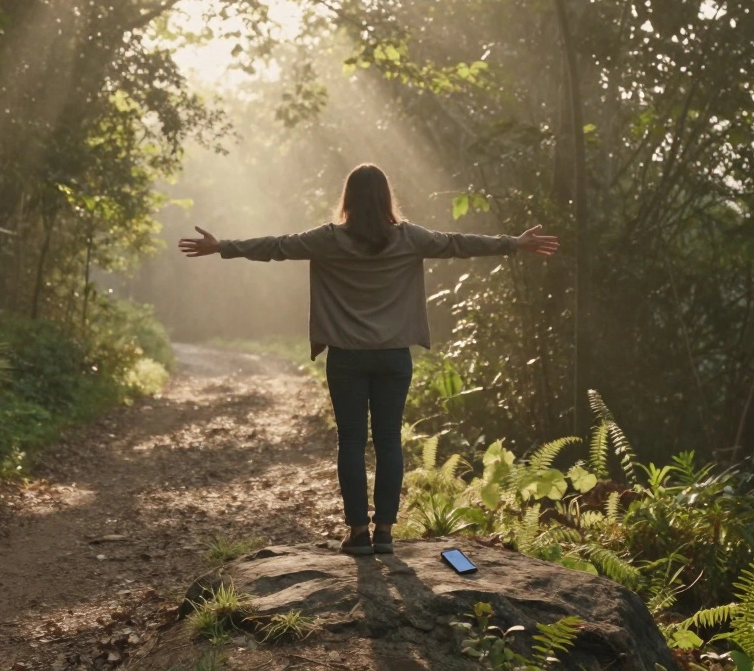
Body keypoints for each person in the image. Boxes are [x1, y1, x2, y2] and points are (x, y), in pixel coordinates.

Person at [178, 163, 557, 555]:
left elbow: (276, 247)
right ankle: (386, 532)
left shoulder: (329, 239)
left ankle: (359, 532)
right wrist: (514, 243)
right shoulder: (409, 238)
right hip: (394, 357)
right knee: (389, 440)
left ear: (348, 199)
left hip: (346, 357)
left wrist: (222, 246)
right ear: (386, 198)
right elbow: (457, 244)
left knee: (352, 441)